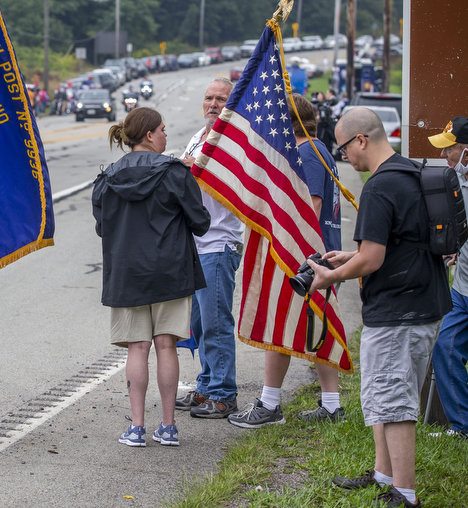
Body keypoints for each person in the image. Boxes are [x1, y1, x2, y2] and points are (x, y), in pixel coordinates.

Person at [308, 107, 452, 508]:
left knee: (394, 398)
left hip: (397, 308)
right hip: (422, 298)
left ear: (361, 140)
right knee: (383, 393)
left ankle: (404, 494)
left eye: (342, 148)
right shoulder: (408, 171)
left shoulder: (378, 187)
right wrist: (344, 257)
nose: (343, 158)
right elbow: (394, 243)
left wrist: (328, 277)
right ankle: (383, 474)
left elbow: (370, 259)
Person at [93, 107, 211, 447]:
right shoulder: (175, 172)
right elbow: (200, 222)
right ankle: (169, 427)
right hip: (170, 271)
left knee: (137, 348)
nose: (165, 135)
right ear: (148, 135)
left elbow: (103, 228)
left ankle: (137, 428)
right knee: (166, 345)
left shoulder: (107, 178)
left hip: (127, 273)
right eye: (162, 129)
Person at [228, 94, 344, 428]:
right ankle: (331, 405)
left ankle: (270, 404)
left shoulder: (307, 151)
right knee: (318, 329)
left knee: (278, 325)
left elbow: (311, 208)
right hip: (322, 256)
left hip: (307, 258)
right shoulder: (318, 148)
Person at [177, 78, 245, 418]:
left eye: (221, 98)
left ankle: (224, 393)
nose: (213, 104)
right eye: (209, 97)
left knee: (217, 324)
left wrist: (189, 168)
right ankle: (205, 387)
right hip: (197, 245)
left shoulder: (232, 141)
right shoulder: (198, 137)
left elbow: (227, 182)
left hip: (220, 242)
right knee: (201, 324)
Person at [428, 116, 468, 439]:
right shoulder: (457, 180)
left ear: (466, 151)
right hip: (462, 287)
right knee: (446, 347)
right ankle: (462, 425)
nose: (445, 156)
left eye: (450, 150)